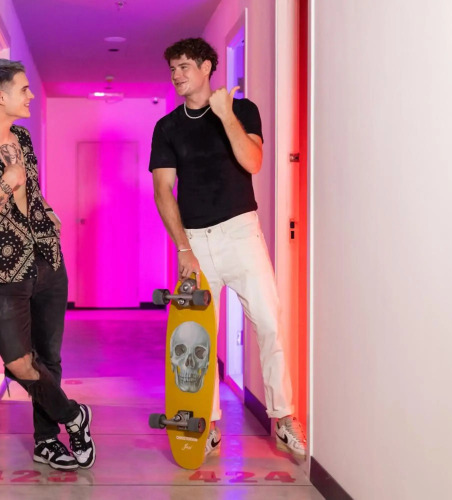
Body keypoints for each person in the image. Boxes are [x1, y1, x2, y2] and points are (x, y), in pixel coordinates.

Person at [149, 38, 307, 458]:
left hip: (241, 234)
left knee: (270, 323)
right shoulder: (167, 127)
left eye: (184, 66)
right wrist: (183, 248)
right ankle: (209, 425)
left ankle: (283, 417)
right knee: (197, 339)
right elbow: (163, 190)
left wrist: (224, 114)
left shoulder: (242, 110)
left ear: (206, 67)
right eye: (172, 69)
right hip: (195, 244)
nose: (176, 75)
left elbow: (253, 161)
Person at [0, 58, 95, 470]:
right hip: (4, 270)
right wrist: (6, 181)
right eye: (23, 89)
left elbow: (31, 193)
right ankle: (74, 415)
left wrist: (47, 214)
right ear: (0, 96)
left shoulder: (23, 138)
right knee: (18, 361)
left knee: (49, 358)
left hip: (48, 260)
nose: (30, 95)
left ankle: (46, 441)